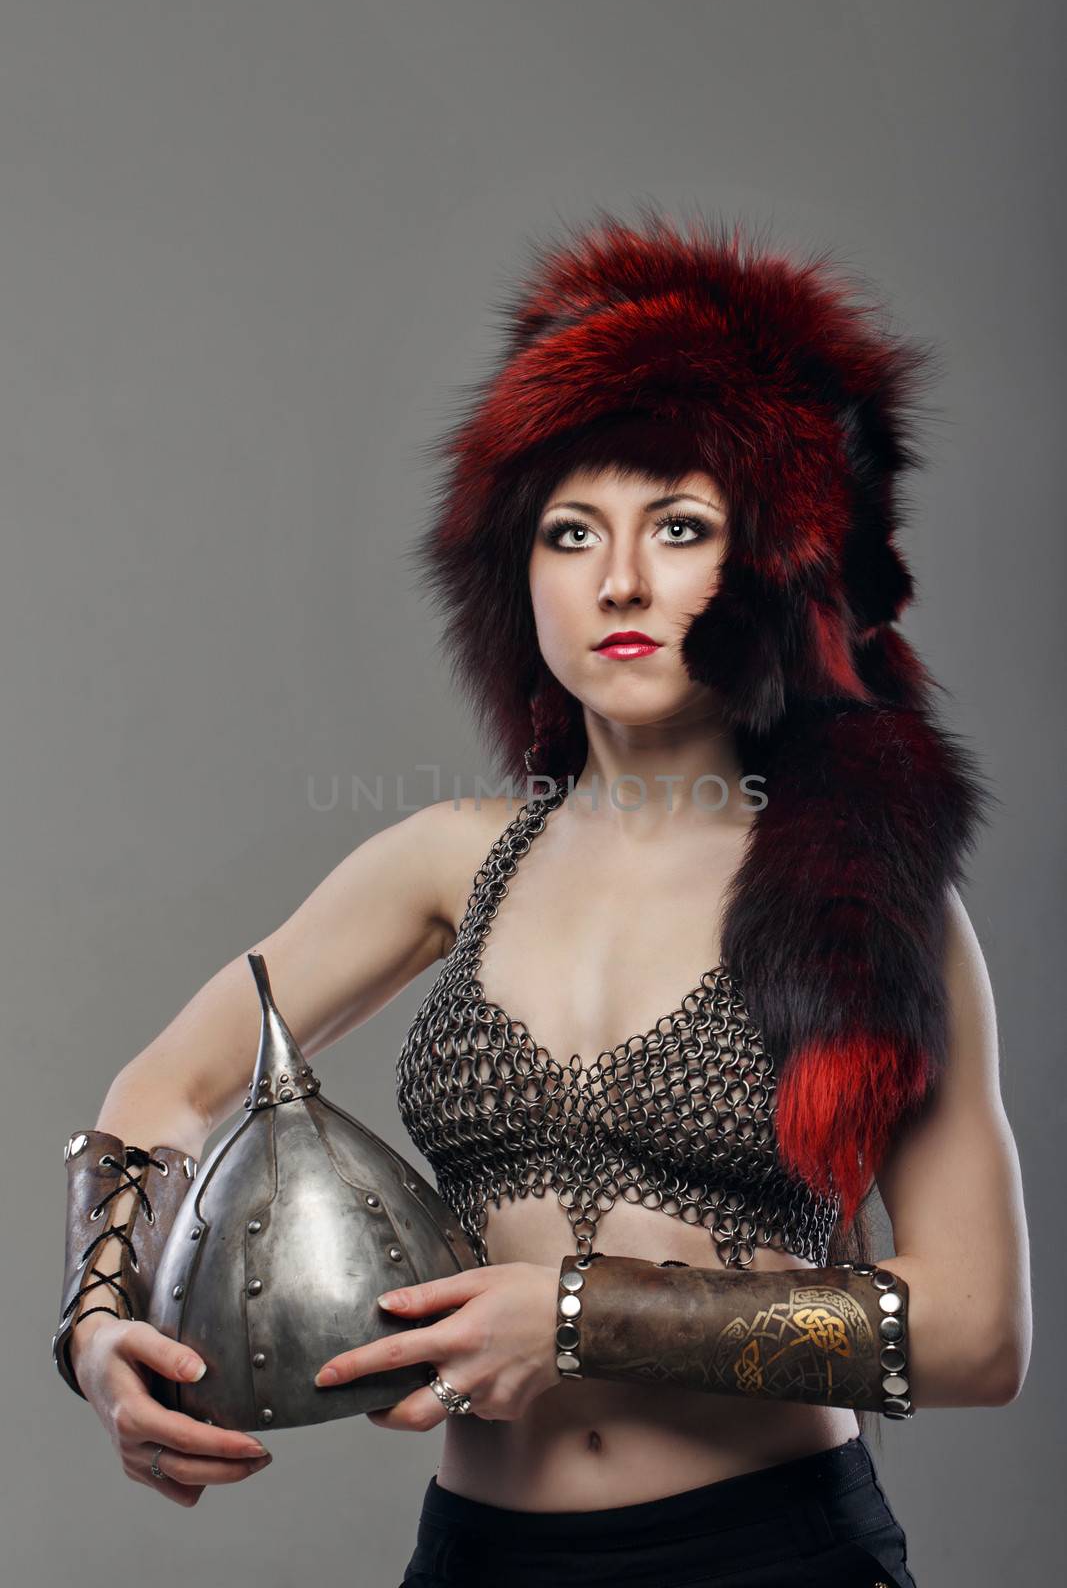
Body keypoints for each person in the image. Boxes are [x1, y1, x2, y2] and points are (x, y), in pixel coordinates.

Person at [53, 210, 1031, 1588]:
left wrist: (574, 1317)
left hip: (770, 1556)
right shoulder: (454, 861)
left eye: (679, 527)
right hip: (476, 1559)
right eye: (572, 531)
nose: (619, 579)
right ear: (517, 572)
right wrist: (101, 1328)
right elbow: (160, 1091)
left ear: (768, 567)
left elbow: (979, 1331)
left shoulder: (865, 897)